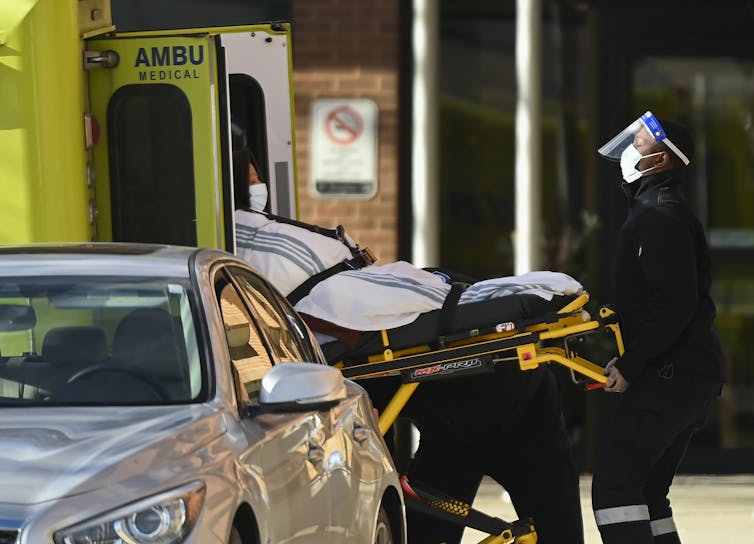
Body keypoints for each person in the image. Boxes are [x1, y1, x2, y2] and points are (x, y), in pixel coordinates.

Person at [231, 127, 585, 544]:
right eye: (254, 178)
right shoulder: (266, 240)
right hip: (469, 406)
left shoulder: (252, 244)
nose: (261, 187)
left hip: (487, 400)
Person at [592, 112, 727, 544]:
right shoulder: (655, 211)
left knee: (615, 488)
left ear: (663, 161)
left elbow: (674, 305)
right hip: (685, 374)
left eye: (642, 144)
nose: (631, 150)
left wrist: (632, 366)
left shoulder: (659, 216)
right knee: (649, 494)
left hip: (672, 375)